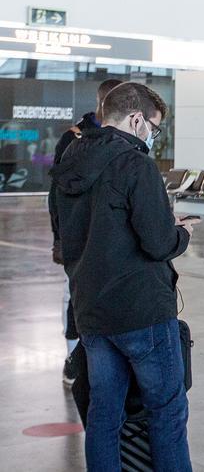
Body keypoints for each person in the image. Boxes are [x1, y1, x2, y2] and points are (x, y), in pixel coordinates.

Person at [49, 82, 198, 471]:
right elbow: (158, 242)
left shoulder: (71, 158)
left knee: (103, 415)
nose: (153, 135)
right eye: (153, 126)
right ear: (135, 119)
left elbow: (72, 232)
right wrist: (181, 232)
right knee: (166, 412)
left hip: (92, 310)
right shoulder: (135, 163)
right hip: (141, 312)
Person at [50, 78, 118, 387]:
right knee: (74, 295)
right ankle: (74, 357)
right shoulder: (73, 139)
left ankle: (101, 357)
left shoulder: (124, 141)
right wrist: (60, 239)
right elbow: (57, 196)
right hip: (77, 238)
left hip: (111, 241)